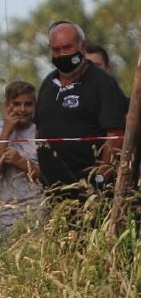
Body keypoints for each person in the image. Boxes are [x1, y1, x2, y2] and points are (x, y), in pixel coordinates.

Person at [35, 21, 129, 192]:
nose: (62, 54)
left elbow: (115, 136)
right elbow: (38, 131)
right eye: (56, 49)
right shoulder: (48, 84)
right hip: (54, 192)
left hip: (92, 192)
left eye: (67, 47)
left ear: (82, 47)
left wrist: (101, 176)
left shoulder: (101, 82)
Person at [0, 81, 45, 232]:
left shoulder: (41, 133)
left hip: (37, 209)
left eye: (28, 104)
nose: (22, 109)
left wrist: (21, 162)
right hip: (7, 211)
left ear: (35, 106)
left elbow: (48, 178)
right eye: (17, 104)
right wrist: (5, 133)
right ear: (7, 106)